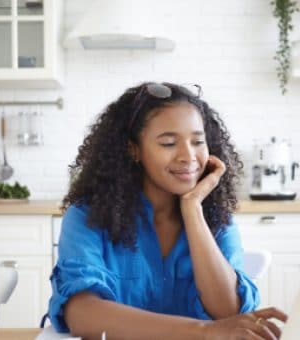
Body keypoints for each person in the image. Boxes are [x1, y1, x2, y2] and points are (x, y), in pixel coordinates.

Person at [48, 82, 287, 339]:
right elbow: (82, 313)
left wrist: (192, 208)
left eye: (197, 141)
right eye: (169, 143)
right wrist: (205, 331)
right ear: (134, 149)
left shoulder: (217, 219)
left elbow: (228, 311)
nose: (189, 156)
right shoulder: (87, 216)